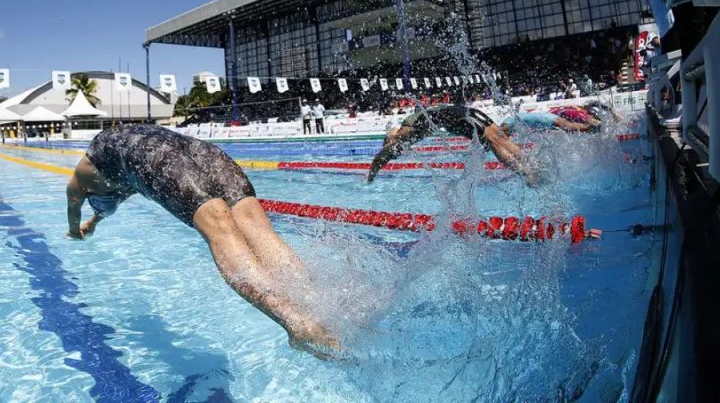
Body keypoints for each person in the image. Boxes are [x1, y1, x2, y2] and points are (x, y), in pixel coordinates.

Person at [65, 124, 340, 357]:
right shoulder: (117, 163)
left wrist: (75, 229)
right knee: (257, 227)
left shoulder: (80, 181)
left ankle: (298, 323)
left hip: (157, 158)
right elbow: (121, 193)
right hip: (200, 150)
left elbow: (73, 207)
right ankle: (320, 307)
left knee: (221, 230)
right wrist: (95, 222)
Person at [366, 105, 542, 185]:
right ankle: (533, 167)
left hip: (459, 117)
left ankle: (527, 173)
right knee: (500, 138)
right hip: (467, 112)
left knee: (494, 141)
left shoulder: (404, 131)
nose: (398, 151)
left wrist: (371, 175)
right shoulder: (415, 125)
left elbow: (382, 156)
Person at [500, 111, 598, 133]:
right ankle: (592, 127)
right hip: (545, 117)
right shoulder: (512, 119)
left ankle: (592, 127)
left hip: (545, 119)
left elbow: (500, 132)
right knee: (568, 127)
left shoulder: (507, 123)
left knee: (568, 127)